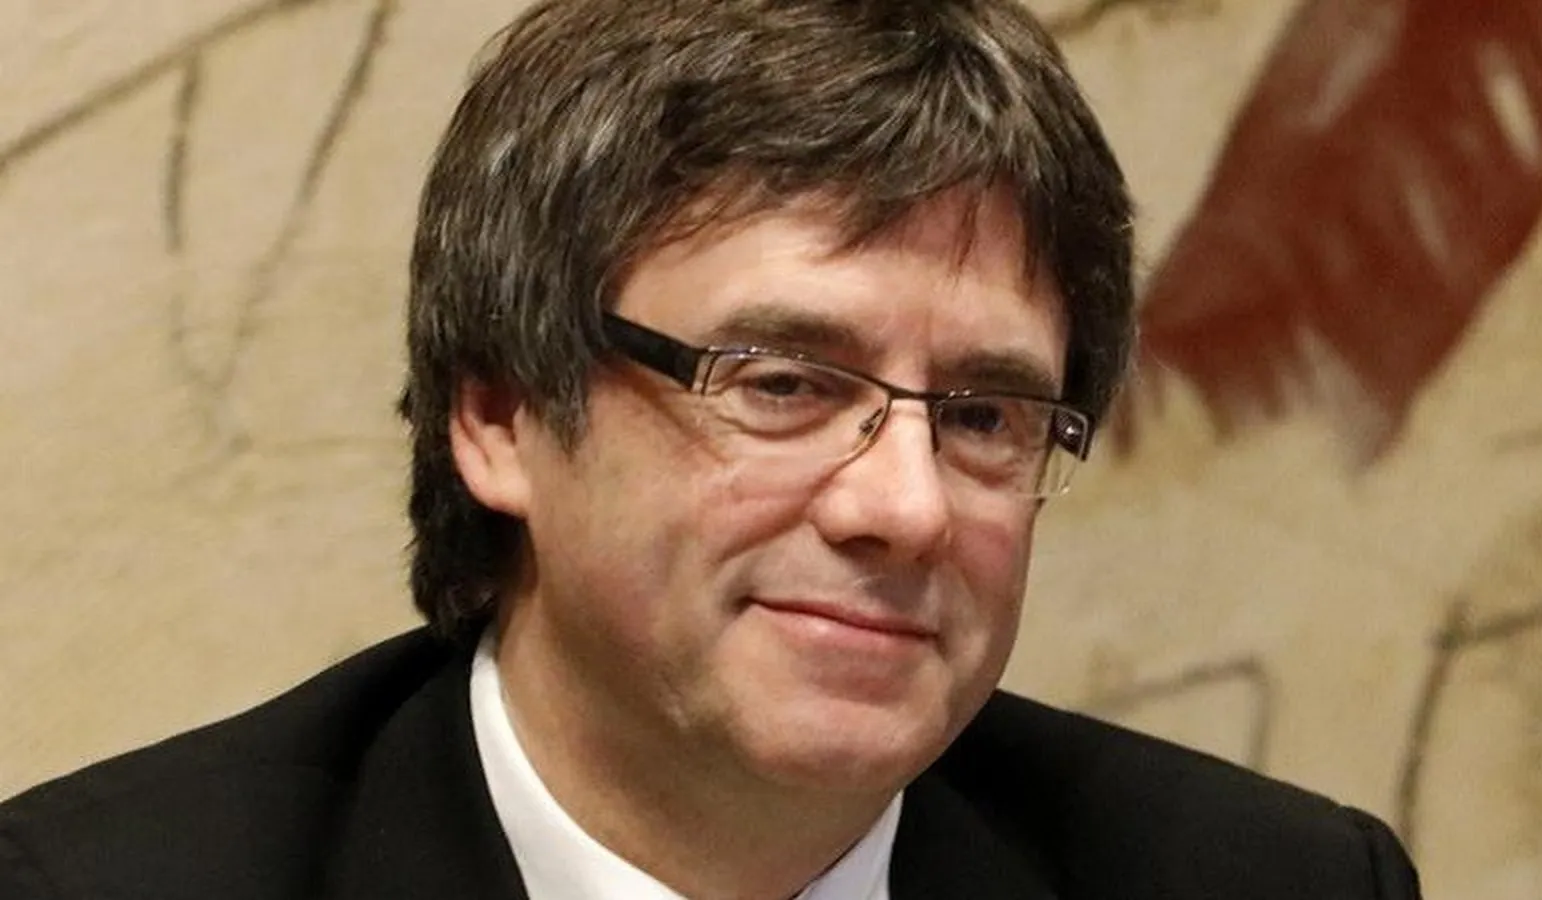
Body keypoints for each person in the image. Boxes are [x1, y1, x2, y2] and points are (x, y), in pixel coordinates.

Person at [0, 0, 1422, 897]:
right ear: (500, 415)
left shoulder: (1278, 884)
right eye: (784, 384)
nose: (907, 508)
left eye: (983, 416)